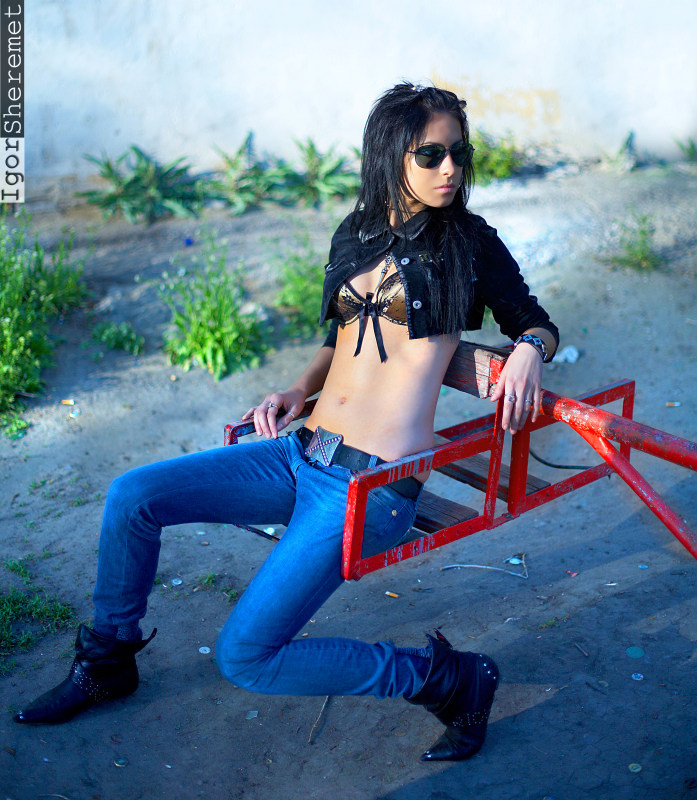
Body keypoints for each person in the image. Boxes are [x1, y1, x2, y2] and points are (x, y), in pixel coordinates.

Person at [14, 82, 558, 763]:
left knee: (245, 656)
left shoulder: (469, 244)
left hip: (370, 487)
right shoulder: (356, 231)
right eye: (430, 154)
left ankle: (446, 679)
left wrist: (528, 349)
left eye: (458, 154)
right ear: (391, 154)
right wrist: (296, 390)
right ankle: (108, 660)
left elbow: (534, 319)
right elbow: (342, 339)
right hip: (298, 453)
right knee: (133, 496)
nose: (449, 168)